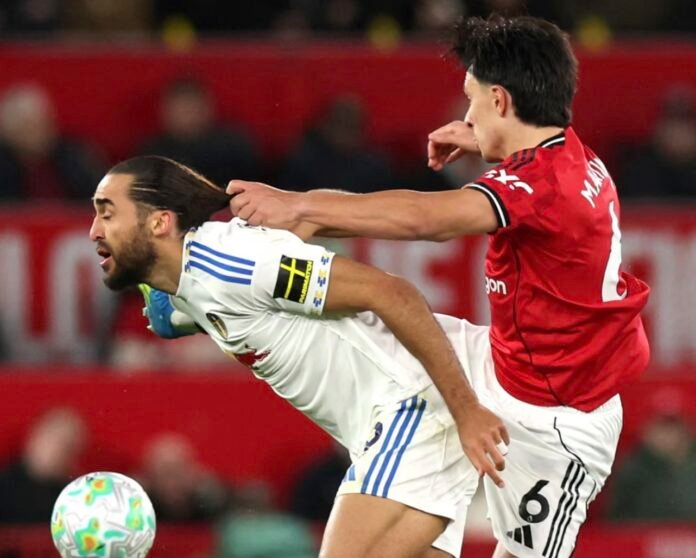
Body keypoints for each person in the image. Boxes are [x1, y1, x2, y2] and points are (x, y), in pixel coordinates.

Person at [226, 14, 651, 558]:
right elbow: (532, 169)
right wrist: (486, 138)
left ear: (500, 100)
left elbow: (426, 220)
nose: (466, 115)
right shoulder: (567, 153)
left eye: (472, 101)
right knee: (384, 332)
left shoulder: (542, 186)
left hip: (562, 422)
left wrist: (301, 206)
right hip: (504, 364)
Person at [89, 155, 509, 558]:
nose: (94, 231)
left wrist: (466, 411)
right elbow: (180, 312)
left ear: (160, 222)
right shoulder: (190, 284)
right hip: (409, 415)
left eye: (107, 214)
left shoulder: (234, 263)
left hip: (416, 404)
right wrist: (165, 311)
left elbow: (392, 293)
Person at [0, 407, 88, 523]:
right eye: (51, 438)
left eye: (66, 446)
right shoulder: (4, 485)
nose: (55, 450)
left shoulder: (73, 498)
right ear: (33, 437)